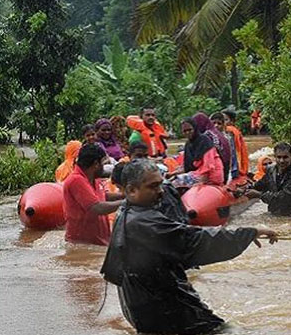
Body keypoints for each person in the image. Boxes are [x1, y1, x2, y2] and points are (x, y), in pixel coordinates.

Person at [100, 160, 278, 334]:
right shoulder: (144, 222)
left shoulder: (126, 212)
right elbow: (195, 241)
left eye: (160, 184)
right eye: (153, 186)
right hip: (163, 309)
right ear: (131, 190)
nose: (161, 191)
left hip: (142, 306)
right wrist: (250, 233)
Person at [62, 143, 124, 246]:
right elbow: (96, 207)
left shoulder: (93, 178)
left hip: (97, 242)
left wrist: (124, 195)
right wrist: (127, 202)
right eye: (103, 164)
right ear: (96, 164)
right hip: (82, 246)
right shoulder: (76, 180)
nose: (104, 168)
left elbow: (104, 196)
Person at [244, 142, 291, 218]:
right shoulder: (271, 170)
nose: (282, 161)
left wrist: (259, 195)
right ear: (275, 157)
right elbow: (260, 185)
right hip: (274, 213)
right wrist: (245, 190)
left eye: (285, 157)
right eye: (279, 157)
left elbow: (284, 198)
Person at [168, 118, 225, 188]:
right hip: (197, 173)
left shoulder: (204, 141)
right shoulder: (188, 145)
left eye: (189, 130)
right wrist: (172, 174)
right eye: (184, 131)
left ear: (195, 128)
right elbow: (187, 166)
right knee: (171, 181)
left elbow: (209, 165)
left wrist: (201, 182)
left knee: (176, 182)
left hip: (212, 176)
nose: (187, 133)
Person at [192, 112, 232, 183]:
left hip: (213, 174)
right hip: (224, 173)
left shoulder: (206, 136)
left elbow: (208, 162)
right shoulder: (219, 135)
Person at [211, 112, 239, 180]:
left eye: (219, 123)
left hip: (226, 170)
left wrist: (234, 171)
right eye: (214, 123)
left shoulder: (228, 138)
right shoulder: (208, 137)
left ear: (223, 125)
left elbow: (233, 156)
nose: (216, 125)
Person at [222, 108, 249, 177]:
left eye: (225, 120)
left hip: (234, 164)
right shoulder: (235, 130)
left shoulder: (230, 130)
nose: (223, 122)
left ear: (232, 121)